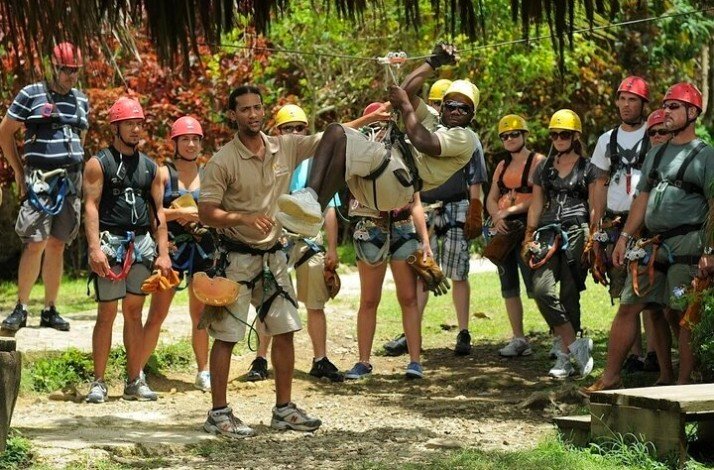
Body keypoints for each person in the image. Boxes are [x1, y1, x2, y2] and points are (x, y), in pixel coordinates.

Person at [198, 85, 336, 437]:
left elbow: (332, 135)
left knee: (286, 330)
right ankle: (218, 414)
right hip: (236, 260)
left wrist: (371, 118)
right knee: (226, 336)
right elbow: (206, 212)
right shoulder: (222, 161)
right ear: (232, 115)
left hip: (275, 258)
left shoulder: (284, 146)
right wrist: (241, 218)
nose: (253, 114)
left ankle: (284, 410)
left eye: (258, 108)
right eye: (245, 109)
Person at [584, 83, 714, 392]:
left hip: (690, 243)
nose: (666, 111)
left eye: (674, 107)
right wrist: (624, 238)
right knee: (630, 304)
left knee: (683, 312)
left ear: (692, 113)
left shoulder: (706, 155)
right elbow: (641, 198)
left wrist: (710, 249)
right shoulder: (657, 154)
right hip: (652, 243)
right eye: (665, 106)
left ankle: (684, 386)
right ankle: (611, 377)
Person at [275, 44, 479, 238]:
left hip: (397, 180)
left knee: (345, 142)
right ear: (443, 107)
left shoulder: (465, 137)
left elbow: (424, 142)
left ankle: (313, 203)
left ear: (472, 115)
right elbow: (404, 93)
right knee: (336, 131)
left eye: (464, 108)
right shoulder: (432, 119)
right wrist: (432, 62)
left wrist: (406, 107)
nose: (456, 111)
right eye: (451, 105)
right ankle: (312, 205)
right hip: (380, 180)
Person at [384, 77, 487, 357]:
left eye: (459, 107)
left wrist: (475, 210)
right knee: (423, 271)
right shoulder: (425, 124)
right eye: (445, 104)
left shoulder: (465, 138)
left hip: (456, 205)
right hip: (425, 204)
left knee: (458, 272)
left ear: (469, 113)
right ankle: (411, 331)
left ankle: (463, 331)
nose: (451, 110)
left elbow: (475, 177)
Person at [246, 104, 343, 383]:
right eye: (287, 128)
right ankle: (261, 359)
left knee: (315, 303)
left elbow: (330, 209)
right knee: (268, 300)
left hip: (310, 239)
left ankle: (320, 358)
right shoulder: (270, 161)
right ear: (277, 132)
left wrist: (332, 250)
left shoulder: (319, 164)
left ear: (306, 131)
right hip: (277, 237)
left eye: (298, 128)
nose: (293, 133)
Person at [84, 97, 172, 403]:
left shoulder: (152, 168)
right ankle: (98, 382)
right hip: (111, 245)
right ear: (115, 127)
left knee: (134, 313)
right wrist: (95, 248)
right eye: (129, 124)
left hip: (141, 245)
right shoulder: (99, 164)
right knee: (106, 313)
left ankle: (134, 379)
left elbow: (158, 213)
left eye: (139, 124)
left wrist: (163, 253)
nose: (136, 130)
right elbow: (91, 207)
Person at [0, 42, 89, 333]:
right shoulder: (30, 94)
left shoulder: (80, 100)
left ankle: (50, 309)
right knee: (35, 241)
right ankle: (21, 308)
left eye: (75, 70)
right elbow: (5, 132)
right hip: (39, 179)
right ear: (52, 66)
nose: (70, 76)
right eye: (65, 69)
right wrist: (17, 169)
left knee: (57, 244)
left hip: (70, 180)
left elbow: (81, 137)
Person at [344, 104, 431, 379]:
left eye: (386, 120)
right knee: (369, 298)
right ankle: (364, 361)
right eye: (377, 121)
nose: (382, 126)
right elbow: (336, 133)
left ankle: (415, 361)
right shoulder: (356, 150)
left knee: (408, 297)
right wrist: (367, 118)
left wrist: (425, 241)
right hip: (370, 226)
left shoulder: (404, 149)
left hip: (403, 226)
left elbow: (415, 201)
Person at [589, 76, 662, 374]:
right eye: (622, 99)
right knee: (623, 290)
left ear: (644, 104)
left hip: (648, 222)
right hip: (616, 221)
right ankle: (634, 353)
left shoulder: (656, 133)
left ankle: (656, 354)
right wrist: (595, 228)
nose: (626, 105)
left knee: (650, 289)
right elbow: (598, 183)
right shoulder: (607, 140)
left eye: (632, 100)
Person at [139, 116, 214, 392]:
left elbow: (216, 211)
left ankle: (203, 370)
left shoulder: (209, 173)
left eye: (195, 139)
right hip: (170, 249)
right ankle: (137, 371)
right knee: (158, 313)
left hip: (202, 249)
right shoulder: (163, 173)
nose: (191, 144)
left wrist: (197, 215)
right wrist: (180, 212)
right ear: (176, 143)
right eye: (185, 139)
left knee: (201, 314)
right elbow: (153, 214)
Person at [524, 109, 600, 378]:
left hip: (577, 230)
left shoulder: (588, 167)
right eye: (554, 134)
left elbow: (593, 205)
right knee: (541, 289)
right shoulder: (543, 167)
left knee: (570, 292)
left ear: (575, 136)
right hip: (546, 231)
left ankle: (565, 356)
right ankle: (574, 344)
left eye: (564, 134)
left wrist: (594, 238)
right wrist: (528, 235)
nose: (558, 138)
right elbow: (536, 203)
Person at [485, 115, 545, 357]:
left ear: (524, 135)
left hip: (526, 226)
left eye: (514, 134)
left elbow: (538, 197)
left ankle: (559, 337)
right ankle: (518, 337)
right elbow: (490, 196)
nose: (509, 139)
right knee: (508, 285)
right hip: (502, 228)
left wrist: (507, 211)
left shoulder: (538, 162)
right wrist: (496, 216)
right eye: (505, 136)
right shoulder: (501, 165)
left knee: (538, 286)